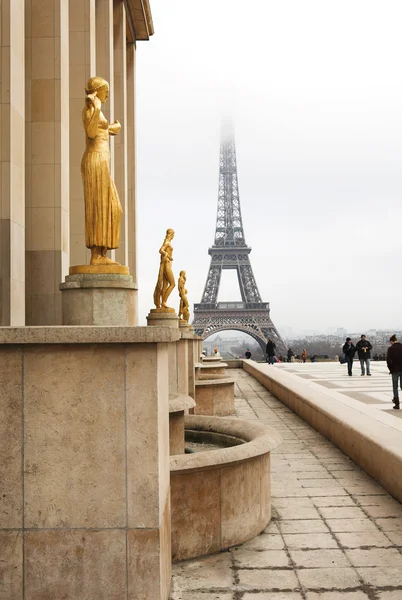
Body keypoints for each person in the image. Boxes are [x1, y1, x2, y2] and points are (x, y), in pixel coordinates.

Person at [81, 76, 123, 265]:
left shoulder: (96, 112)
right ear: (98, 91)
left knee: (114, 208)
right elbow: (90, 132)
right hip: (95, 161)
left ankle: (102, 252)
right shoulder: (89, 109)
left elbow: (100, 131)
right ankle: (96, 256)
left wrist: (113, 128)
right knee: (99, 206)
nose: (107, 95)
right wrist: (96, 108)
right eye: (105, 91)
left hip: (102, 162)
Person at [387, 334, 402, 410]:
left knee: (395, 386)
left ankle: (397, 403)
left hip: (395, 369)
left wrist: (391, 369)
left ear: (392, 341)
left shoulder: (391, 349)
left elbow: (389, 361)